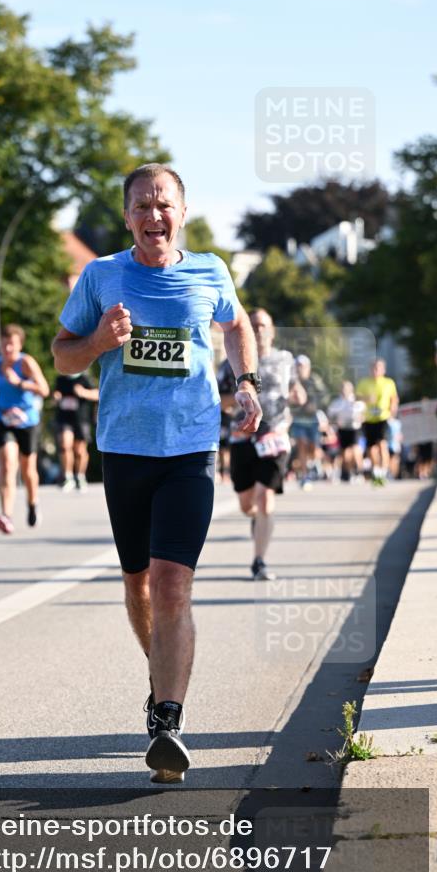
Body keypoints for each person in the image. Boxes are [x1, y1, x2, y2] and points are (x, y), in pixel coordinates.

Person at [52, 163, 262, 784]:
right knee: (139, 583)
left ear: (182, 212)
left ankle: (167, 720)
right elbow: (62, 356)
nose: (153, 215)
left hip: (191, 448)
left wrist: (246, 381)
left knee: (173, 585)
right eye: (141, 206)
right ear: (127, 218)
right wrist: (97, 342)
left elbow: (236, 324)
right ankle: (162, 670)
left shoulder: (211, 271)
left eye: (163, 204)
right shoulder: (101, 275)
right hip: (125, 449)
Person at [223, 308, 302, 581]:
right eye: (253, 325)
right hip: (242, 437)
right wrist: (240, 399)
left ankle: (259, 561)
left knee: (265, 498)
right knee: (248, 505)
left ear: (272, 331)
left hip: (275, 436)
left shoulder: (285, 360)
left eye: (263, 325)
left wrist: (299, 395)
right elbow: (218, 398)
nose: (258, 330)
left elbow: (295, 388)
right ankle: (257, 520)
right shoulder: (232, 362)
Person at [0, 323, 50, 534]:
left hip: (26, 420)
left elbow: (44, 390)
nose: (7, 349)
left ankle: (32, 503)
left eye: (12, 345)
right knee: (7, 463)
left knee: (28, 469)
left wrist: (20, 383)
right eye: (4, 344)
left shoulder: (26, 363)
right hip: (3, 418)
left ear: (19, 345)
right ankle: (6, 515)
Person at [53, 373, 99, 491]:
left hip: (81, 419)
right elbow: (56, 392)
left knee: (79, 450)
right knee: (65, 445)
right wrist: (56, 396)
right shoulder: (61, 379)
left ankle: (80, 476)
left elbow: (98, 394)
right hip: (64, 418)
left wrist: (84, 392)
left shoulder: (84, 378)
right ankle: (68, 477)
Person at [356, 359, 399, 485]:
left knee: (382, 444)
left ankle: (384, 471)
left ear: (383, 370)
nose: (376, 371)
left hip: (383, 417)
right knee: (371, 448)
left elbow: (394, 399)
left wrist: (392, 412)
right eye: (374, 368)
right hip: (368, 418)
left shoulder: (388, 383)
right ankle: (376, 469)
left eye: (378, 368)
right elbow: (356, 398)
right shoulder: (364, 383)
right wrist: (366, 398)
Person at [290, 354, 328, 488]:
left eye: (303, 366)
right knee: (301, 444)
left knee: (313, 447)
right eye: (298, 366)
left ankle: (314, 464)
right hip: (298, 420)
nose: (301, 369)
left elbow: (324, 396)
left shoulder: (314, 380)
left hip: (312, 420)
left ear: (308, 367)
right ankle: (305, 475)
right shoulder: (291, 381)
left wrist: (315, 406)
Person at [327, 380, 365, 482]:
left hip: (355, 429)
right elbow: (331, 416)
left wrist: (360, 418)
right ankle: (349, 473)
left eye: (347, 388)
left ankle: (360, 472)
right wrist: (333, 425)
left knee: (355, 450)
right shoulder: (336, 403)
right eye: (343, 388)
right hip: (343, 429)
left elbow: (363, 415)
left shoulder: (357, 402)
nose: (345, 391)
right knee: (345, 453)